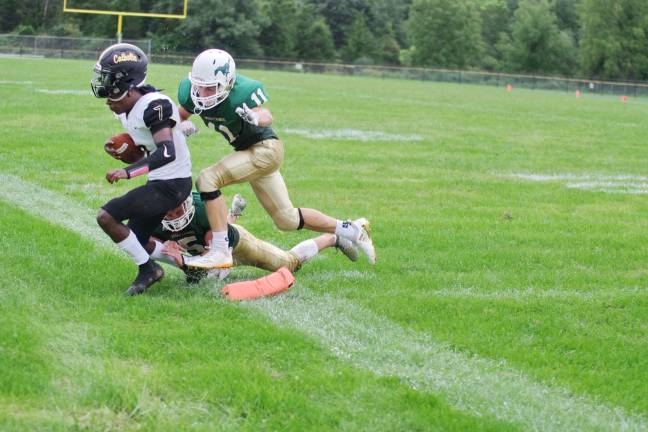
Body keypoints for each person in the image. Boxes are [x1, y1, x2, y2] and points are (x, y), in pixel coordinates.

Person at [176, 48, 375, 270]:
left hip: (265, 150)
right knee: (286, 220)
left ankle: (221, 250)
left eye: (209, 87)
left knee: (207, 179)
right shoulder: (192, 93)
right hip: (248, 154)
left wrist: (255, 117)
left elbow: (266, 114)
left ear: (228, 83)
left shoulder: (241, 93)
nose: (202, 93)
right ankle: (352, 229)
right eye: (198, 85)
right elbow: (179, 115)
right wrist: (180, 125)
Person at [91, 43, 193, 295]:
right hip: (161, 181)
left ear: (125, 84)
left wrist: (128, 172)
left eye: (107, 79)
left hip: (173, 183)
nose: (103, 86)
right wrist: (125, 152)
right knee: (136, 238)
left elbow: (167, 152)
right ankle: (193, 266)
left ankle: (149, 270)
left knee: (107, 216)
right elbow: (144, 147)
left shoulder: (154, 105)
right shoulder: (126, 109)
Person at [144, 193, 359, 285]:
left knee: (289, 264)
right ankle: (233, 213)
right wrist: (166, 245)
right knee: (197, 278)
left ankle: (332, 238)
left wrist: (183, 261)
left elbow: (218, 259)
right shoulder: (154, 220)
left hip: (237, 247)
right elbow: (144, 239)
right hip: (212, 245)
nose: (174, 218)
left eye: (177, 211)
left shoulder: (203, 211)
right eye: (168, 214)